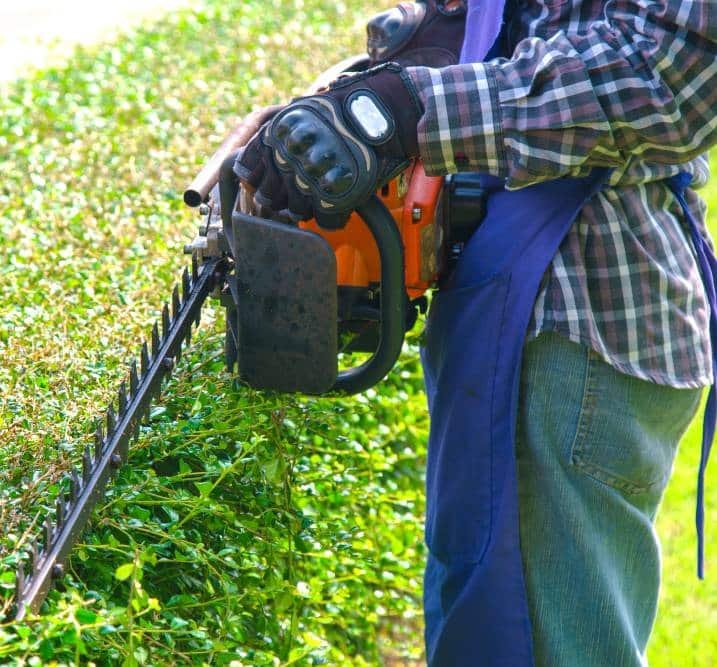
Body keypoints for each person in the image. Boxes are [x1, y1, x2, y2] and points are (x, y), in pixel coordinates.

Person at [233, 1, 717, 664]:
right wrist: (427, 39)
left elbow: (671, 74)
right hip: (520, 304)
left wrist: (409, 108)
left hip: (574, 310)